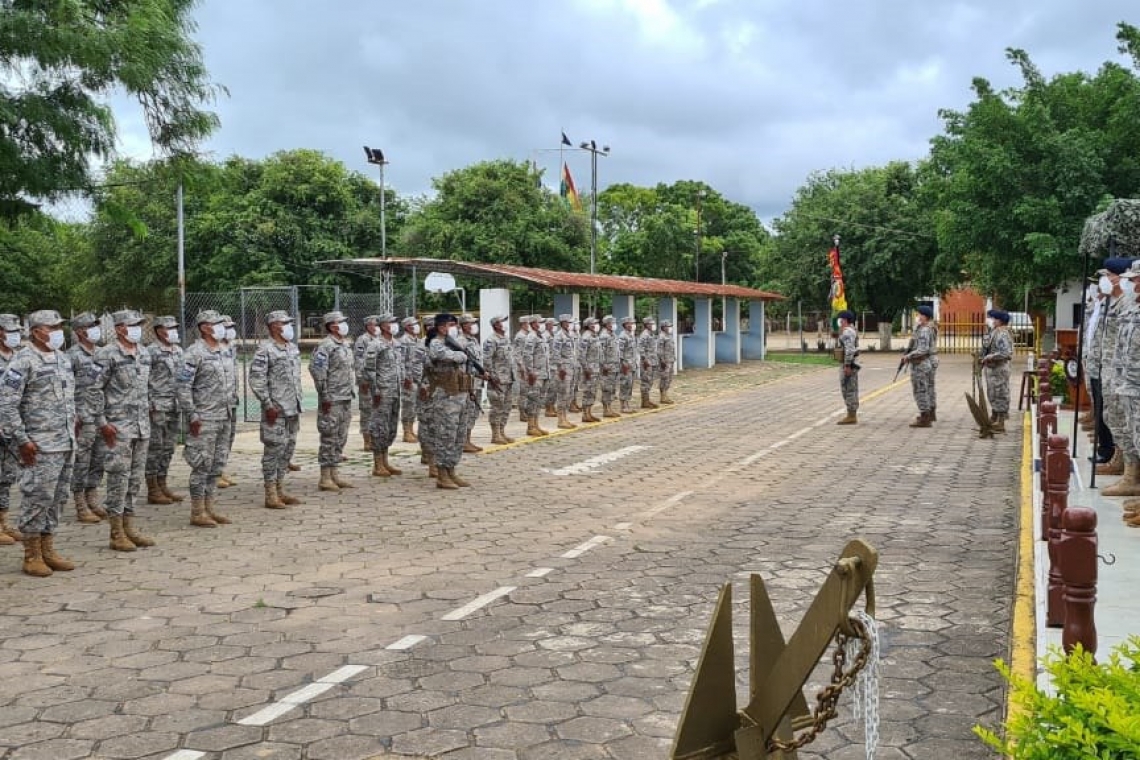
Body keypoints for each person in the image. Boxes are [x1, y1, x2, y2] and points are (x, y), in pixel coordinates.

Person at [0, 310, 77, 576]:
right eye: (52, 326)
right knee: (37, 497)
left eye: (59, 326)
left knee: (56, 498)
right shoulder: (23, 361)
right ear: (36, 331)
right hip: (39, 444)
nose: (58, 330)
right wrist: (22, 440)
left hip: (65, 442)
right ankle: (31, 554)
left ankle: (48, 548)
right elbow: (6, 405)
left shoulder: (62, 359)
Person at [91, 309, 155, 551]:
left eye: (139, 324)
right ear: (119, 328)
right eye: (132, 324)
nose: (138, 328)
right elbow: (93, 390)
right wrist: (102, 423)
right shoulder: (106, 354)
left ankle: (129, 526)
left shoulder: (144, 353)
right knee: (118, 478)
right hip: (117, 428)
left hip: (141, 427)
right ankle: (115, 532)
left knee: (135, 478)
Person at [177, 310, 237, 527]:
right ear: (204, 327)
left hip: (225, 416)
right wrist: (192, 414)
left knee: (217, 464)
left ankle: (210, 508)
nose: (221, 326)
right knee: (201, 464)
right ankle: (197, 511)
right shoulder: (194, 353)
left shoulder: (225, 351)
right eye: (216, 323)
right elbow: (183, 386)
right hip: (204, 418)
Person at [248, 310, 304, 509]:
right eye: (284, 323)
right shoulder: (265, 350)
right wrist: (268, 404)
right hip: (276, 409)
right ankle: (270, 493)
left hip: (292, 408)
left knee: (287, 450)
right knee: (273, 450)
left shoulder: (292, 348)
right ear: (273, 326)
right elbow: (257, 379)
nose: (289, 326)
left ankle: (281, 488)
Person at [67, 311, 107, 523]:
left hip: (102, 416)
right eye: (90, 326)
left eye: (95, 325)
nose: (95, 329)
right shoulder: (72, 356)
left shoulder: (102, 353)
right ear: (80, 332)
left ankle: (93, 496)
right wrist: (73, 415)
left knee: (99, 458)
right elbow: (66, 387)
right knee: (82, 460)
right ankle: (80, 503)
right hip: (83, 417)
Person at [425, 313, 472, 489]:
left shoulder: (453, 342)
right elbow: (449, 357)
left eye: (453, 325)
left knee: (458, 435)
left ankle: (451, 470)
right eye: (449, 325)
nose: (452, 328)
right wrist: (461, 355)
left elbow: (463, 357)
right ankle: (442, 474)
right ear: (440, 326)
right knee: (446, 434)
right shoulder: (435, 343)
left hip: (459, 394)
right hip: (445, 396)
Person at [310, 310, 356, 492]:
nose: (344, 324)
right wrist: (325, 395)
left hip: (345, 396)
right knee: (329, 437)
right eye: (341, 321)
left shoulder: (344, 345)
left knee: (340, 437)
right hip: (332, 398)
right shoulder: (326, 346)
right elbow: (317, 370)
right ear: (332, 326)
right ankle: (325, 477)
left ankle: (335, 473)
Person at [145, 316, 184, 505]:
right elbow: (143, 380)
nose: (174, 331)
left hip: (174, 405)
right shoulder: (150, 352)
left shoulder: (178, 350)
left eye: (175, 327)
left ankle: (163, 483)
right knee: (155, 448)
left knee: (169, 447)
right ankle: (152, 488)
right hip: (157, 407)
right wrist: (149, 404)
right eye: (169, 328)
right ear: (159, 330)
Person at [363, 314, 404, 478]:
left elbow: (401, 367)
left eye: (395, 321)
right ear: (383, 326)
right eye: (391, 322)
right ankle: (377, 463)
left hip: (395, 391)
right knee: (379, 427)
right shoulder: (375, 345)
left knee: (391, 427)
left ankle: (385, 461)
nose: (394, 325)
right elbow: (369, 369)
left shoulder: (397, 344)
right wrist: (376, 391)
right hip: (383, 392)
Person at [0, 314, 26, 546]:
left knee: (7, 477)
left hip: (10, 429)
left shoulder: (18, 358)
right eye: (10, 331)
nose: (14, 335)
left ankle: (3, 522)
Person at [216, 315, 240, 488]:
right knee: (216, 439)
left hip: (231, 399)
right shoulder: (213, 349)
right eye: (227, 326)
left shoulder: (231, 347)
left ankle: (221, 469)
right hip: (216, 403)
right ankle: (214, 473)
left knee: (227, 438)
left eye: (232, 326)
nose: (231, 329)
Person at [980, 309, 1014, 433]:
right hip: (993, 369)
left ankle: (1001, 422)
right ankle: (994, 416)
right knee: (993, 393)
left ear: (999, 321)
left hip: (999, 369)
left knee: (1000, 394)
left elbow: (1005, 352)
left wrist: (990, 357)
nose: (991, 321)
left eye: (993, 318)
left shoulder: (1002, 333)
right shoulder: (995, 332)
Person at [484, 315, 516, 444]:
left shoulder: (506, 339)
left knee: (506, 407)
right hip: (497, 380)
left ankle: (502, 432)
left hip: (508, 378)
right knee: (497, 407)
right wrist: (492, 376)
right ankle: (495, 434)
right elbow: (487, 360)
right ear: (496, 325)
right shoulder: (491, 341)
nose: (505, 324)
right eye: (503, 322)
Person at [905, 305, 937, 428]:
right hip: (924, 363)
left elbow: (923, 349)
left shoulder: (924, 330)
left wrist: (908, 356)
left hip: (921, 364)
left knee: (920, 390)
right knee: (926, 389)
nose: (916, 316)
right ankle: (928, 413)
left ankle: (925, 417)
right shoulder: (924, 328)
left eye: (918, 314)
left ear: (924, 316)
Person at [457, 315, 485, 451]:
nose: (474, 325)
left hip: (477, 382)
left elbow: (477, 361)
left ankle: (468, 440)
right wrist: (477, 374)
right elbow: (462, 366)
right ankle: (463, 442)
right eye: (471, 323)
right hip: (468, 382)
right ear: (463, 325)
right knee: (467, 412)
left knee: (473, 412)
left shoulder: (473, 340)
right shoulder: (461, 341)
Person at [354, 315, 381, 451]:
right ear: (367, 326)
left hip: (379, 381)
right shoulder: (362, 340)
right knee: (366, 410)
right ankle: (367, 440)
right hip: (367, 380)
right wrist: (361, 379)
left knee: (377, 410)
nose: (375, 327)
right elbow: (358, 360)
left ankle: (376, 437)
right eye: (372, 325)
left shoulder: (380, 340)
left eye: (377, 324)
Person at [522, 315, 550, 437]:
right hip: (536, 374)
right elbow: (527, 355)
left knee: (538, 401)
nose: (541, 324)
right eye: (540, 322)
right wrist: (530, 371)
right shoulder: (531, 337)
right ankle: (530, 426)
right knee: (533, 400)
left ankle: (536, 424)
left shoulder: (541, 336)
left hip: (544, 373)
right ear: (533, 324)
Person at [399, 316, 425, 444]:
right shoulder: (404, 341)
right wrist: (406, 378)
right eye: (413, 324)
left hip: (419, 377)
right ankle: (406, 431)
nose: (416, 326)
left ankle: (411, 429)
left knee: (415, 406)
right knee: (408, 405)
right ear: (407, 327)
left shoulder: (418, 341)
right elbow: (401, 361)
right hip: (409, 379)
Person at [551, 314, 578, 430]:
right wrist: (560, 368)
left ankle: (565, 418)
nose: (571, 324)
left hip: (571, 368)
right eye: (569, 322)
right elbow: (555, 354)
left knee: (569, 394)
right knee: (563, 394)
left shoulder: (569, 335)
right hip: (563, 370)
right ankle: (561, 419)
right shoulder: (559, 336)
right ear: (563, 323)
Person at [836, 310, 860, 425]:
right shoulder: (850, 330)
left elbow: (849, 349)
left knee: (848, 388)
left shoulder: (847, 332)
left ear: (844, 320)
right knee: (849, 388)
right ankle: (851, 414)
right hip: (849, 362)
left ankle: (851, 415)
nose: (838, 321)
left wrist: (847, 365)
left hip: (848, 364)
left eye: (840, 319)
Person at [578, 317, 601, 422]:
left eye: (596, 323)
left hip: (595, 369)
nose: (596, 325)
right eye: (593, 323)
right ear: (588, 325)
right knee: (588, 391)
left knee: (592, 391)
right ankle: (585, 414)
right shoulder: (586, 337)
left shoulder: (594, 336)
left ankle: (589, 412)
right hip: (589, 369)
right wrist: (586, 369)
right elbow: (581, 355)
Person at [598, 316, 621, 418]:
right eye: (612, 323)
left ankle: (609, 408)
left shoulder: (613, 335)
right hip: (607, 367)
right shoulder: (604, 336)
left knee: (612, 388)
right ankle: (606, 409)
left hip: (614, 366)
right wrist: (604, 365)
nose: (614, 324)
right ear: (607, 324)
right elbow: (600, 352)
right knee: (607, 388)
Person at [617, 316, 638, 413]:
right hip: (625, 365)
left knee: (630, 384)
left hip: (632, 364)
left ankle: (627, 403)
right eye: (629, 323)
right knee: (625, 384)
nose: (632, 325)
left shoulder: (631, 335)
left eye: (633, 323)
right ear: (625, 325)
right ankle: (623, 405)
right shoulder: (623, 336)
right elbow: (619, 352)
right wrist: (623, 365)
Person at [638, 316, 659, 409]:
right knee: (646, 381)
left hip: (653, 361)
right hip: (647, 362)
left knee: (650, 381)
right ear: (647, 325)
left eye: (653, 323)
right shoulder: (644, 335)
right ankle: (644, 402)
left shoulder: (651, 334)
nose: (653, 325)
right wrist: (645, 360)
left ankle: (647, 400)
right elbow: (640, 348)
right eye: (651, 324)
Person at [657, 320, 676, 405]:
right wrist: (662, 360)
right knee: (664, 378)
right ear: (663, 327)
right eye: (668, 326)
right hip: (665, 361)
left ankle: (665, 394)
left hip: (670, 359)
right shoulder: (661, 336)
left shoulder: (669, 336)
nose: (669, 328)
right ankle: (663, 396)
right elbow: (660, 350)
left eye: (670, 326)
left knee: (669, 378)